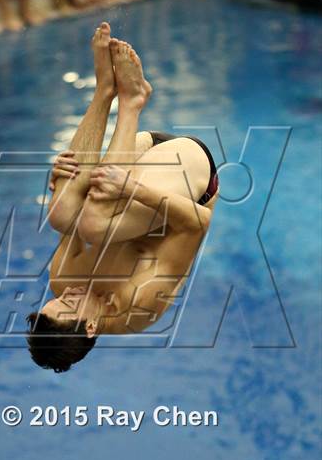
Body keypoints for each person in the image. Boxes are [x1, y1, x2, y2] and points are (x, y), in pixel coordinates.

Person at [27, 22, 219, 373]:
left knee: (61, 213)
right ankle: (131, 101)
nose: (64, 294)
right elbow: (198, 223)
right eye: (67, 306)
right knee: (97, 223)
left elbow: (75, 203)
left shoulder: (61, 281)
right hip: (188, 174)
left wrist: (59, 179)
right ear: (90, 327)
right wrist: (131, 189)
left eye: (52, 302)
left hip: (136, 153)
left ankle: (103, 92)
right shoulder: (139, 304)